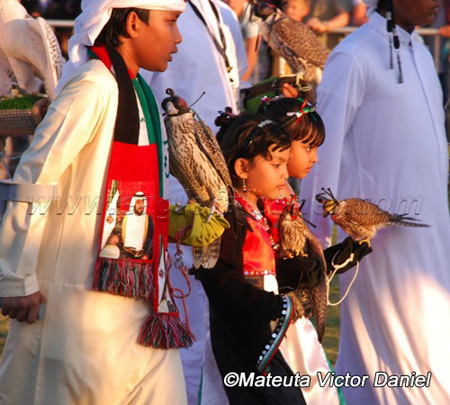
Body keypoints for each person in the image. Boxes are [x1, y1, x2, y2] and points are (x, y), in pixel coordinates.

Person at [0, 1, 226, 403]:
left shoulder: (140, 94)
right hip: (76, 309)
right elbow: (35, 175)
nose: (177, 38)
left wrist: (175, 222)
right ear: (134, 22)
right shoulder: (94, 86)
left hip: (142, 308)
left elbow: (129, 197)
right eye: (171, 22)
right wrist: (16, 277)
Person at [301, 0, 450, 403]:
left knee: (421, 348)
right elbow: (320, 154)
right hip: (379, 245)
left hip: (430, 238)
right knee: (404, 363)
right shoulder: (353, 55)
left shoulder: (420, 50)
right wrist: (309, 245)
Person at [143, 1, 247, 403]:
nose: (177, 32)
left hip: (222, 194)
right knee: (185, 324)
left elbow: (228, 94)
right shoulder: (156, 8)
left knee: (215, 329)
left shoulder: (225, 15)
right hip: (174, 193)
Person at [260, 95, 371, 405]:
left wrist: (330, 262)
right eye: (308, 147)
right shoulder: (261, 196)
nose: (316, 158)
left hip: (293, 320)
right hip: (269, 322)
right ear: (278, 143)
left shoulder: (284, 193)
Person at [198, 112, 307, 404]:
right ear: (243, 167)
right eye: (276, 165)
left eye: (285, 164)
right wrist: (267, 304)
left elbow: (269, 272)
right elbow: (216, 276)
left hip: (260, 331)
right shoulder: (227, 217)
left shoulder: (258, 214)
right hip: (240, 335)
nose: (285, 174)